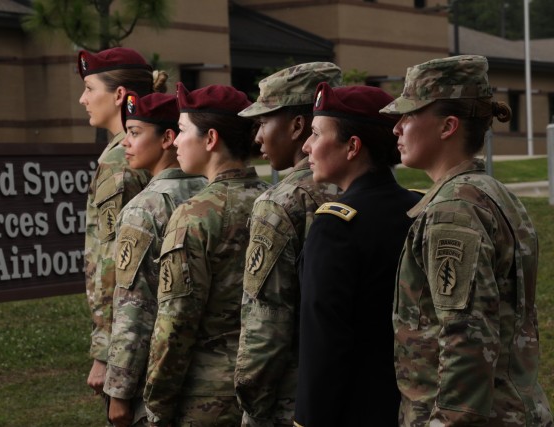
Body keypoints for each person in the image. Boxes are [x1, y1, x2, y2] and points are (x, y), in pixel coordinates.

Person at [379, 54, 553, 426]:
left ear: (448, 127)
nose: (397, 128)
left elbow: (467, 339)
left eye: (409, 115)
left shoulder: (453, 210)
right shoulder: (490, 192)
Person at [294, 83, 423, 427]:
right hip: (412, 402)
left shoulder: (335, 225)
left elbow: (323, 340)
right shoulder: (418, 207)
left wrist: (309, 419)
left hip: (352, 408)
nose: (306, 146)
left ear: (352, 146)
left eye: (317, 134)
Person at [144, 83, 270, 426]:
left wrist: (156, 402)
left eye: (183, 130)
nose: (177, 142)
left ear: (210, 139)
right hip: (268, 387)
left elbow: (176, 321)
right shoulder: (273, 201)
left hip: (206, 396)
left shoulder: (195, 214)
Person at [234, 62, 343, 427]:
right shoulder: (357, 186)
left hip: (290, 400)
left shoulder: (280, 202)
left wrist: (251, 403)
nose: (257, 137)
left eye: (264, 122)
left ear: (298, 126)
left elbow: (267, 320)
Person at [103, 92, 207, 426]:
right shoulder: (209, 191)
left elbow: (135, 307)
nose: (125, 144)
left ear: (167, 138)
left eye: (134, 133)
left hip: (160, 382)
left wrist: (119, 391)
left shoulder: (144, 208)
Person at [78, 47, 167, 403]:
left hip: (131, 333)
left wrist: (105, 353)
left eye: (89, 88)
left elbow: (115, 260)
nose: (82, 98)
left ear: (118, 95)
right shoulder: (143, 147)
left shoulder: (119, 159)